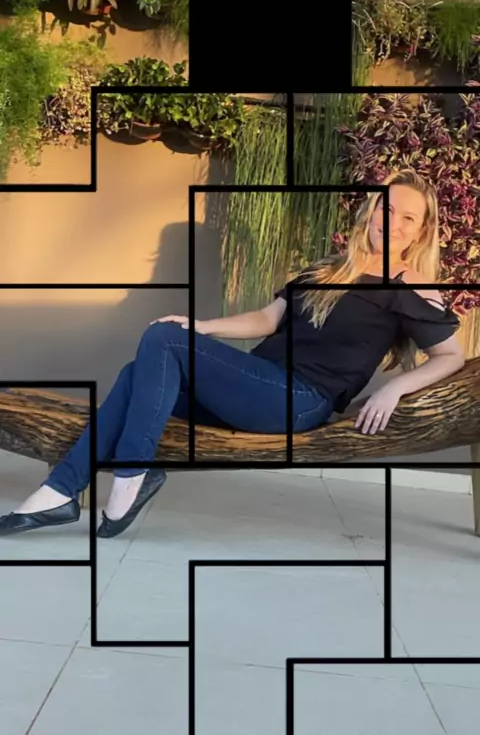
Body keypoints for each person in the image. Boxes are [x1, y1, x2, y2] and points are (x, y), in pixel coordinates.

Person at [0, 168, 464, 538]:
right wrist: (203, 327)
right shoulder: (327, 269)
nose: (394, 222)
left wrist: (394, 389)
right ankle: (60, 493)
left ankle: (130, 476)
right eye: (388, 208)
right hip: (262, 384)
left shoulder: (409, 285)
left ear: (421, 232)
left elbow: (451, 356)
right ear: (372, 209)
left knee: (163, 340)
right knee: (135, 371)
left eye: (409, 218)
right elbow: (266, 319)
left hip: (300, 401)